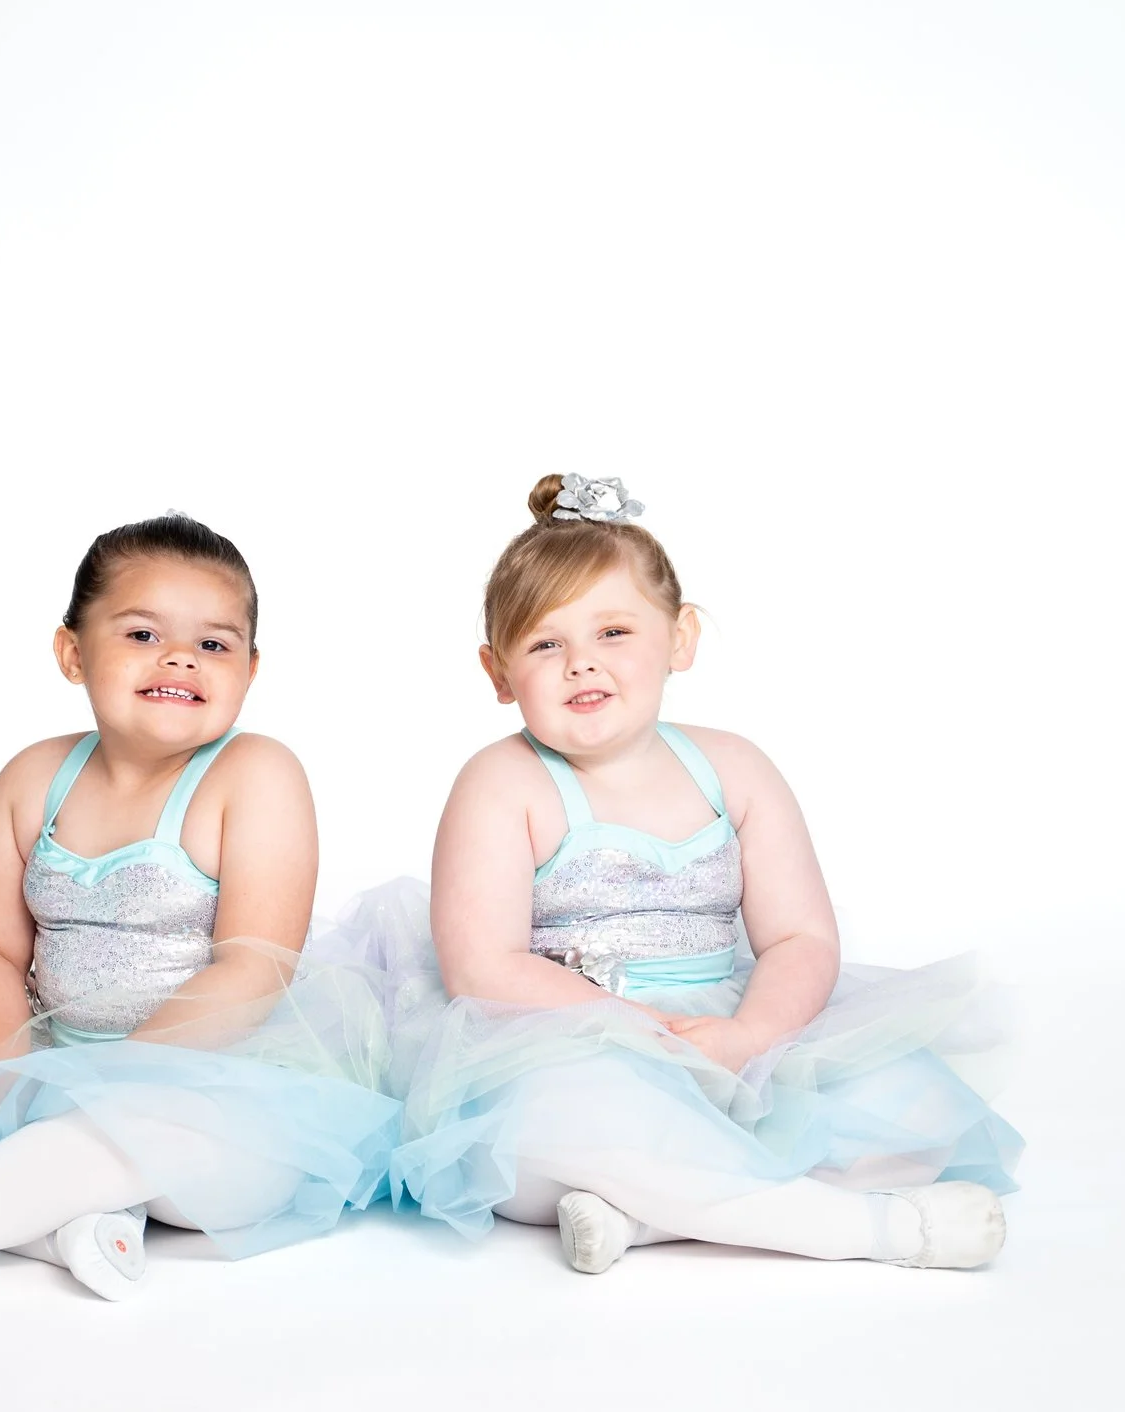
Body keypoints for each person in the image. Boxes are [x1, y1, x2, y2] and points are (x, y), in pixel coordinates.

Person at [358, 473, 1020, 1273]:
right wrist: (633, 1033)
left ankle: (650, 1214)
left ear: (680, 637)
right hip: (562, 1036)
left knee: (910, 1115)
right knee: (567, 1124)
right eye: (544, 643)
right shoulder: (501, 783)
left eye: (613, 632)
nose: (581, 664)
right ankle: (866, 1231)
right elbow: (483, 966)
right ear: (498, 672)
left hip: (727, 1029)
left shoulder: (734, 767)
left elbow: (801, 937)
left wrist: (748, 1037)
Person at [0, 513, 397, 1297]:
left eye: (214, 644)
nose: (181, 656)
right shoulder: (33, 779)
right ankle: (75, 1227)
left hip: (222, 1083)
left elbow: (252, 966)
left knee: (141, 1137)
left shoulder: (257, 775)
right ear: (72, 651)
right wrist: (8, 1087)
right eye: (143, 634)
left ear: (250, 671)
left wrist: (115, 1083)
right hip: (54, 1059)